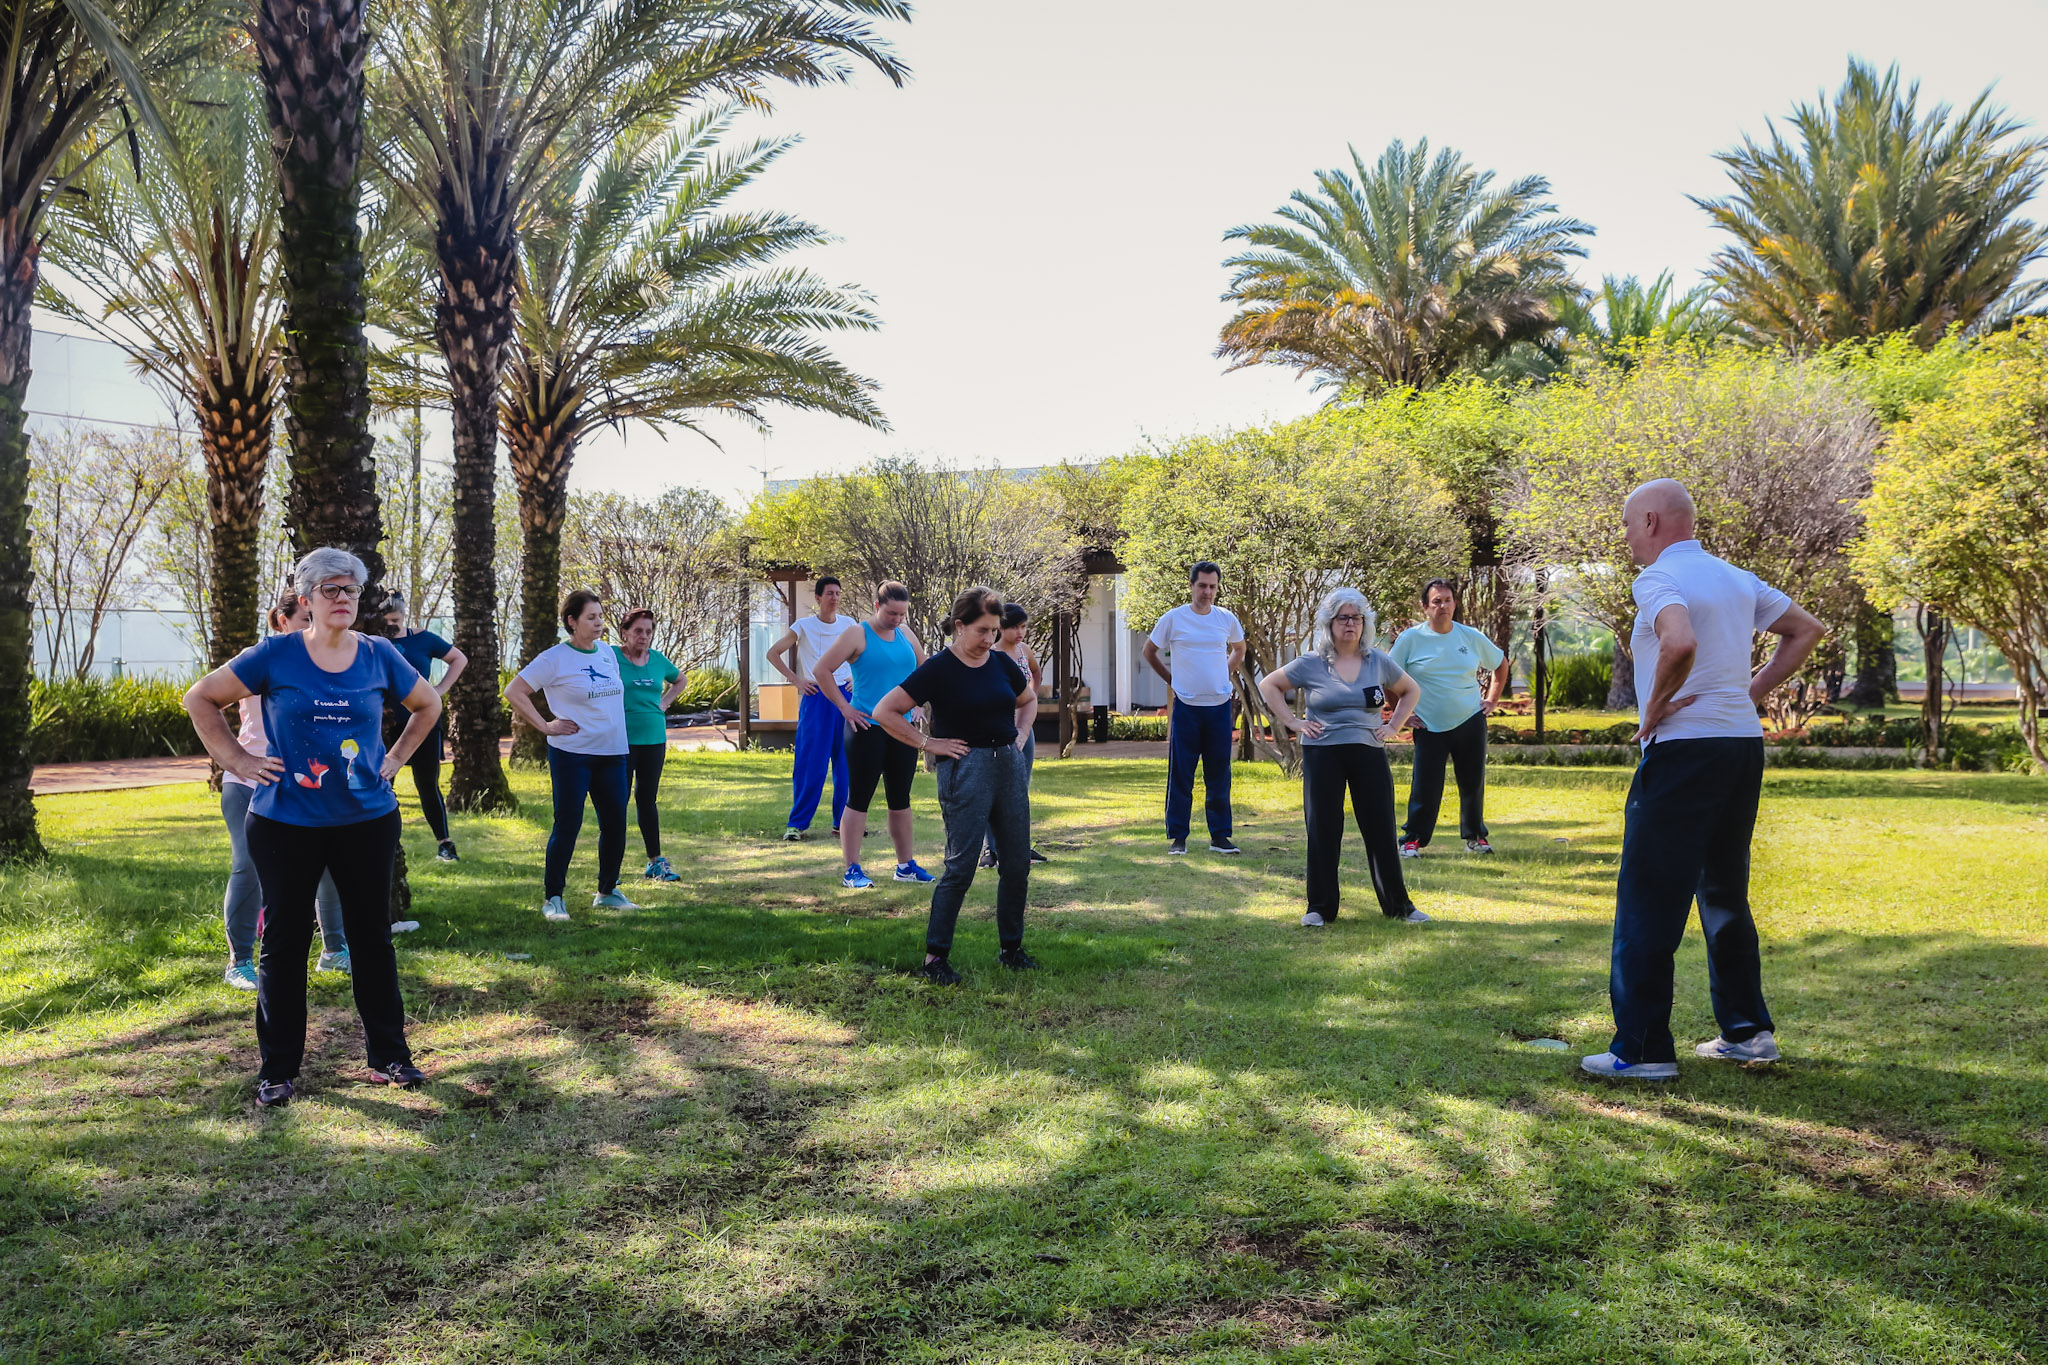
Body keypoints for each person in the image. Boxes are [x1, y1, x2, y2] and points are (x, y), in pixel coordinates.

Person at [1581, 479, 1824, 1082]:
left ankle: (1640, 1050)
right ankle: (1747, 1033)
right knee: (1722, 891)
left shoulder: (1657, 577)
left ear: (1656, 522)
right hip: (1740, 748)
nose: (1628, 537)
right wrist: (1748, 695)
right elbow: (1805, 630)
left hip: (1684, 751)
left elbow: (1679, 641)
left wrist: (1653, 708)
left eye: (1631, 524)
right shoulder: (1737, 577)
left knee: (1647, 896)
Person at [183, 548, 442, 1106]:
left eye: (351, 589)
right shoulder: (273, 655)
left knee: (371, 939)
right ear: (306, 600)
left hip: (366, 821)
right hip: (283, 824)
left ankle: (390, 1058)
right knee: (283, 942)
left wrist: (394, 760)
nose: (343, 598)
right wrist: (240, 763)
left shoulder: (379, 656)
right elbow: (200, 698)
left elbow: (427, 705)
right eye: (330, 589)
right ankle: (277, 1069)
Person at [873, 586, 1039, 985]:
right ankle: (936, 959)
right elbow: (884, 712)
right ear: (959, 626)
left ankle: (1011, 950)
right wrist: (929, 744)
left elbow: (1028, 698)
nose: (989, 639)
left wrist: (1019, 738)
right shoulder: (939, 669)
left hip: (1009, 769)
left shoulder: (1000, 664)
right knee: (961, 866)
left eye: (995, 631)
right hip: (966, 770)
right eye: (982, 631)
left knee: (1016, 864)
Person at [1258, 587, 1431, 927]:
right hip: (1323, 753)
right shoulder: (1312, 662)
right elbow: (1269, 685)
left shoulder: (1377, 660)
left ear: (1364, 623)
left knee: (1380, 828)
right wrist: (1293, 721)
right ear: (1330, 623)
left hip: (1368, 751)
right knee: (1323, 828)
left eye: (1356, 618)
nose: (1350, 624)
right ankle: (1320, 908)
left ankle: (1399, 906)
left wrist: (1393, 725)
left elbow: (1411, 690)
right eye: (1343, 617)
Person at [217, 590, 353, 988]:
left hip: (308, 783)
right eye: (304, 618)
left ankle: (334, 952)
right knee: (249, 866)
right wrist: (240, 761)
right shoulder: (262, 656)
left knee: (328, 866)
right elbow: (202, 701)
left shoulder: (329, 659)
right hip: (252, 781)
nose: (313, 627)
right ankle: (239, 962)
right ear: (281, 620)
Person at [504, 590, 640, 922]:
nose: (599, 623)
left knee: (616, 825)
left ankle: (607, 892)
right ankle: (553, 898)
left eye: (600, 616)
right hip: (573, 755)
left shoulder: (607, 652)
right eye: (591, 617)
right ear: (572, 621)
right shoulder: (554, 658)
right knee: (568, 825)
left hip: (614, 753)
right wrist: (546, 726)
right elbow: (514, 691)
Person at [813, 581, 935, 889]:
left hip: (902, 729)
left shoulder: (906, 635)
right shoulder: (858, 634)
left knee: (901, 799)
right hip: (866, 728)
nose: (897, 619)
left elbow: (925, 669)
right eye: (892, 613)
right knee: (859, 798)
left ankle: (905, 865)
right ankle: (852, 869)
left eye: (902, 614)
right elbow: (822, 670)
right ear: (878, 606)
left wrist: (918, 703)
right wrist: (845, 708)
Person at [1388, 579, 1509, 858]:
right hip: (1429, 724)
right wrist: (1403, 715)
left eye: (1447, 600)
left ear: (1455, 604)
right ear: (1425, 607)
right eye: (1436, 601)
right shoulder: (1410, 639)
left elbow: (1501, 664)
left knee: (1472, 781)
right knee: (1426, 785)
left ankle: (1476, 837)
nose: (1443, 606)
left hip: (1470, 720)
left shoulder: (1470, 636)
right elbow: (1388, 677)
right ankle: (1412, 840)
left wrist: (1492, 700)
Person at [1143, 561, 1246, 856]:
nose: (1207, 592)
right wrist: (1173, 680)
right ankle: (1178, 837)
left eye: (1213, 586)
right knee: (1182, 773)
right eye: (1202, 585)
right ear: (1191, 585)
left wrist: (1224, 673)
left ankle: (1220, 837)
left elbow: (1239, 648)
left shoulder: (1226, 618)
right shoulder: (1173, 619)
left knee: (1219, 774)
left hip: (1218, 706)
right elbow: (1148, 652)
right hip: (1187, 707)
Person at [766, 576, 858, 841]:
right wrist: (796, 680)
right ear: (818, 598)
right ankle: (797, 824)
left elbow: (860, 654)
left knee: (847, 763)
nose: (835, 598)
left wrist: (855, 677)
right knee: (811, 763)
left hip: (846, 697)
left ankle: (843, 823)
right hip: (816, 695)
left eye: (838, 593)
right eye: (829, 593)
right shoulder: (803, 626)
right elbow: (773, 653)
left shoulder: (849, 625)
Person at [382, 589, 467, 862]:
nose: (392, 625)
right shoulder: (373, 642)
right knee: (383, 784)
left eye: (396, 619)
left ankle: (445, 843)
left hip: (423, 724)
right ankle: (385, 842)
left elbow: (459, 659)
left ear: (404, 615)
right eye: (387, 620)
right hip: (384, 726)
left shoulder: (424, 639)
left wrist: (439, 690)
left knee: (427, 784)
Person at [614, 607, 688, 882]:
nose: (644, 637)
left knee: (647, 800)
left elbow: (680, 680)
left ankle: (655, 862)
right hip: (620, 740)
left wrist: (665, 702)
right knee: (616, 801)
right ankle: (612, 867)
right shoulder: (611, 657)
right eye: (638, 631)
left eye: (648, 632)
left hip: (654, 739)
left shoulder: (657, 660)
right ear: (625, 632)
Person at [981, 603, 1048, 867]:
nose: (1019, 632)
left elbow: (1035, 672)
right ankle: (991, 850)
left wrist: (1029, 702)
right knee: (991, 790)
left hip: (1023, 729)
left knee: (1021, 788)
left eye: (1023, 627)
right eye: (1013, 627)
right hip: (996, 730)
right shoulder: (992, 654)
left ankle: (1020, 846)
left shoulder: (1024, 650)